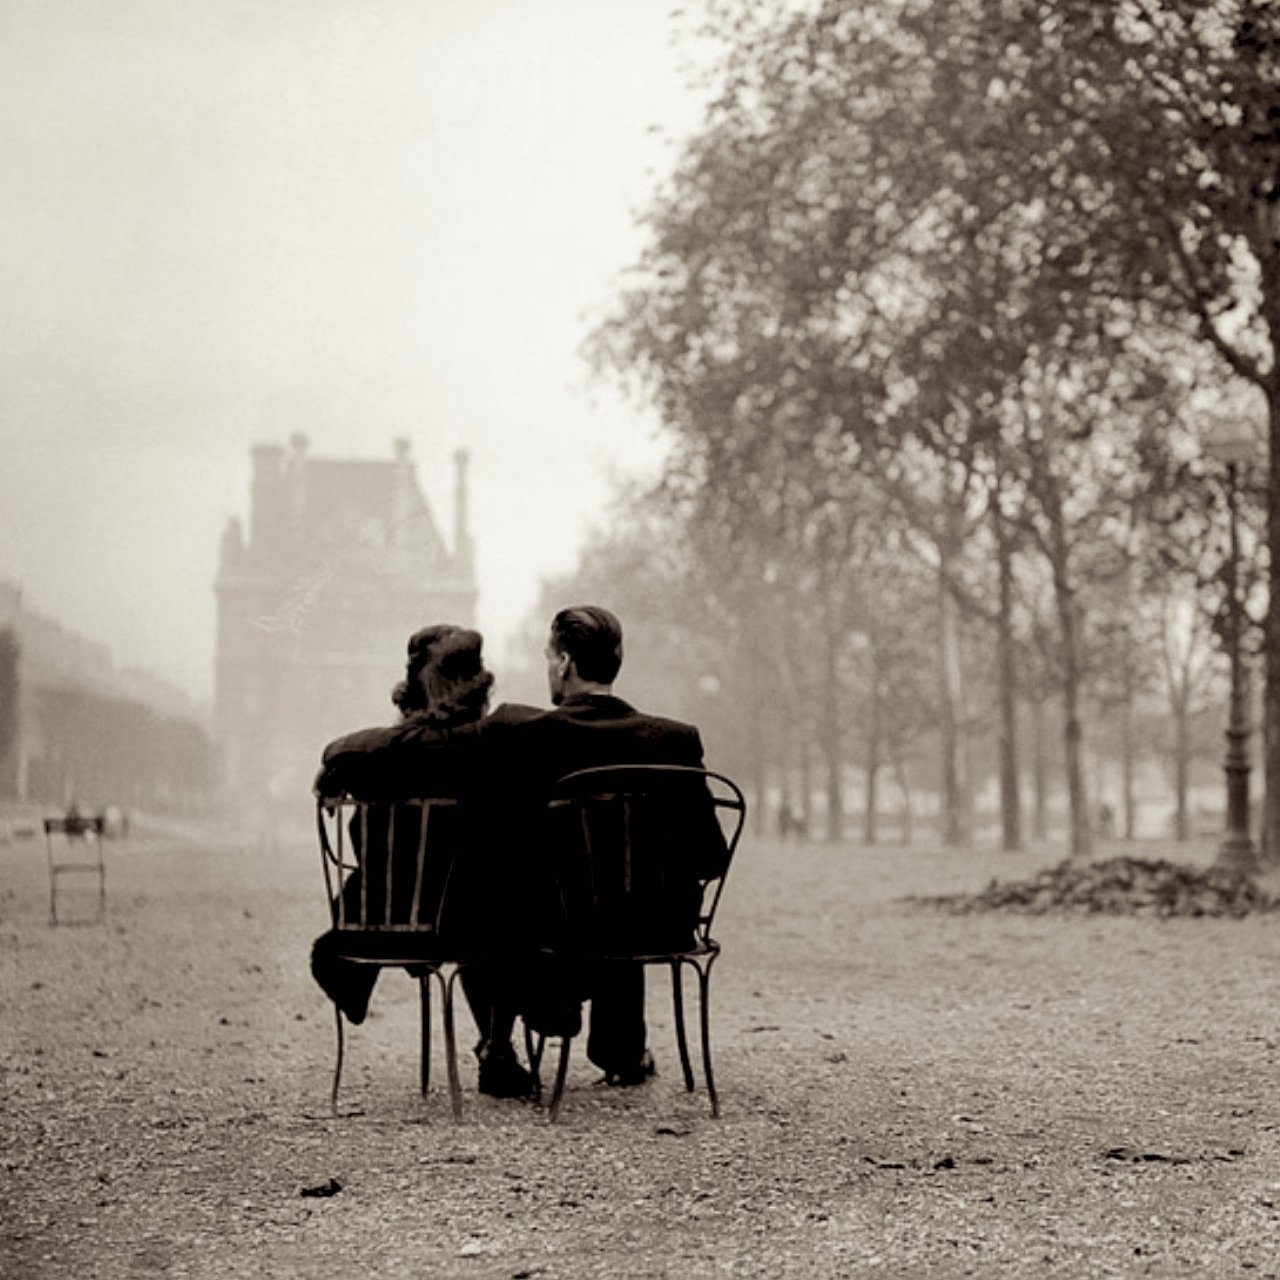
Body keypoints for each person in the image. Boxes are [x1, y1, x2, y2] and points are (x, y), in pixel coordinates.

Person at [478, 605, 729, 1087]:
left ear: (565, 663)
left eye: (548, 657)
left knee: (526, 881)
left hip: (560, 928)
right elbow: (709, 856)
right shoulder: (672, 740)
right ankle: (622, 1049)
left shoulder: (524, 733)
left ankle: (523, 1026)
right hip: (659, 925)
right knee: (619, 893)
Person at [310, 623, 538, 1098]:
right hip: (480, 922)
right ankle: (497, 1045)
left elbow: (344, 747)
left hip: (394, 922)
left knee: (475, 889)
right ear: (477, 685)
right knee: (505, 891)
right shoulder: (492, 745)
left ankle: (495, 1048)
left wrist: (332, 765)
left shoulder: (379, 756)